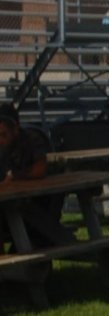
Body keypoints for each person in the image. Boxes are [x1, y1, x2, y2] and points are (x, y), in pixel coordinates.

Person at [0, 103, 72, 251]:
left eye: (3, 135)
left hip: (39, 205)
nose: (0, 139)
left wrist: (14, 177)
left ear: (16, 129)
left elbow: (39, 170)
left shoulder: (32, 139)